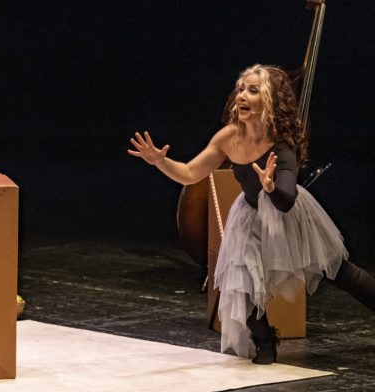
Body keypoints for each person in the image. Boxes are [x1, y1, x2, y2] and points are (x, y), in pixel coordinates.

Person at [128, 64, 375, 364]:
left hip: (289, 216)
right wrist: (160, 162)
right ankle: (265, 340)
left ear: (269, 102)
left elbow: (285, 201)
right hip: (249, 216)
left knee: (338, 271)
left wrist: (270, 187)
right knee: (239, 282)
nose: (242, 95)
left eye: (253, 90)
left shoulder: (281, 146)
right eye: (241, 89)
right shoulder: (229, 137)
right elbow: (191, 173)